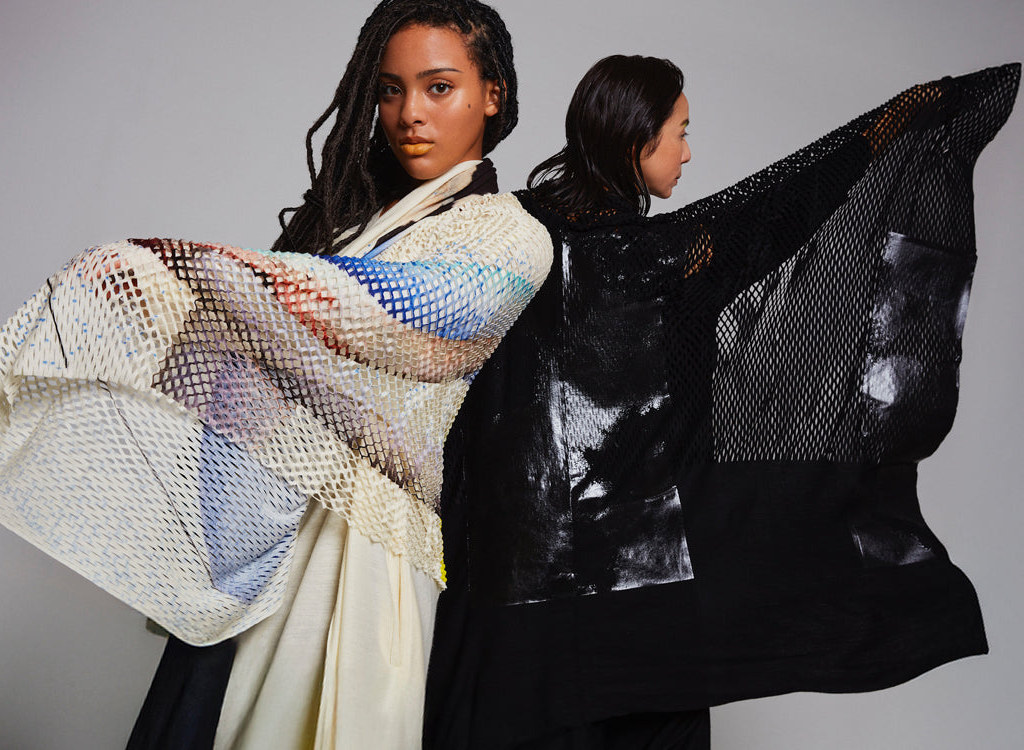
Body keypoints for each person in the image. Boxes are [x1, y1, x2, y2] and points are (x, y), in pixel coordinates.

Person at [0, 1, 551, 749]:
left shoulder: (510, 234)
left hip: (359, 548)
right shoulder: (351, 230)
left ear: (491, 94)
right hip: (257, 531)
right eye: (389, 90)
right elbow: (259, 360)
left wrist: (184, 271)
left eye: (438, 87)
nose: (410, 113)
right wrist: (153, 310)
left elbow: (380, 314)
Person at [423, 55, 1019, 749]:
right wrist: (885, 132)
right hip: (645, 594)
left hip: (517, 595)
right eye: (677, 132)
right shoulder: (674, 260)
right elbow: (786, 213)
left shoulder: (511, 237)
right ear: (635, 138)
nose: (686, 152)